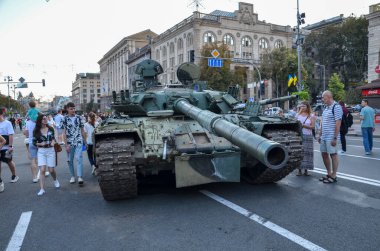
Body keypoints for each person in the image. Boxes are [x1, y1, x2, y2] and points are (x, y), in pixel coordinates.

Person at [318, 91, 343, 184]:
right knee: (324, 154)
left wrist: (335, 138)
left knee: (333, 155)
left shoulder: (336, 107)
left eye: (323, 98)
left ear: (328, 97)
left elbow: (338, 123)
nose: (322, 100)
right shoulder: (326, 108)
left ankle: (334, 175)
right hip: (324, 136)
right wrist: (320, 135)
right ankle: (329, 173)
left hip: (331, 136)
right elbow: (322, 122)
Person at [33, 114, 60, 196]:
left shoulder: (50, 128)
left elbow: (54, 139)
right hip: (41, 151)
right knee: (42, 170)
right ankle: (42, 189)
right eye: (44, 119)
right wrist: (41, 144)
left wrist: (53, 142)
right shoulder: (36, 131)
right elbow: (34, 143)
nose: (45, 120)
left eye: (46, 118)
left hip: (50, 150)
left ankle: (55, 180)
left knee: (51, 170)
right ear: (40, 121)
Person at [61, 102, 86, 185]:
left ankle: (80, 177)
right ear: (67, 109)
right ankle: (72, 176)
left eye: (74, 108)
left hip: (78, 140)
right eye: (71, 109)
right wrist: (66, 145)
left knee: (79, 158)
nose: (73, 110)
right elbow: (63, 133)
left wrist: (85, 141)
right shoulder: (64, 119)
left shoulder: (79, 118)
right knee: (70, 160)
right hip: (69, 142)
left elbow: (82, 130)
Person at [0, 107, 19, 190]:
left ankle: (14, 175)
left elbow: (10, 135)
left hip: (6, 146)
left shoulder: (7, 123)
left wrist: (10, 146)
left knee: (9, 161)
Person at [295, 101, 315, 176]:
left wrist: (303, 126)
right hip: (299, 136)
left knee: (307, 153)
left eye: (304, 106)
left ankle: (306, 170)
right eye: (301, 106)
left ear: (307, 107)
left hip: (308, 136)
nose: (302, 107)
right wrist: (298, 112)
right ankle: (299, 170)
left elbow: (313, 127)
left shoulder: (311, 115)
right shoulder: (297, 115)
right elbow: (294, 123)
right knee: (300, 152)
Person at [24, 117, 39, 183]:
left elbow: (26, 133)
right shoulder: (38, 121)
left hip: (31, 142)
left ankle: (34, 177)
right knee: (42, 158)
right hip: (40, 141)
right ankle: (44, 171)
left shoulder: (28, 122)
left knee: (33, 160)